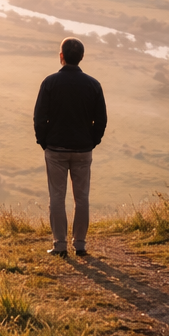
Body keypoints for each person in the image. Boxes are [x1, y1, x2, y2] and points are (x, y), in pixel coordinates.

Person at [33, 36, 107, 258]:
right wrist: (92, 141)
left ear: (61, 56)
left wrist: (44, 142)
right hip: (83, 150)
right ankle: (81, 244)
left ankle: (59, 245)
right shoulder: (93, 85)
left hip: (55, 149)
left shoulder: (49, 83)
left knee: (57, 196)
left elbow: (39, 118)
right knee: (81, 197)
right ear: (81, 57)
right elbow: (101, 121)